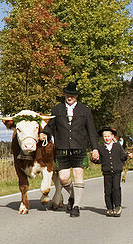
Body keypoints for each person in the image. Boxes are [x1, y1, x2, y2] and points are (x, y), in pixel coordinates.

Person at [41, 82, 100, 217]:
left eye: (72, 95)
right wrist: (45, 133)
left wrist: (95, 149)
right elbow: (51, 126)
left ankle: (76, 206)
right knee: (63, 178)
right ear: (64, 95)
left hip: (79, 148)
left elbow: (91, 130)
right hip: (62, 149)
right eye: (68, 95)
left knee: (79, 176)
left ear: (76, 96)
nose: (70, 97)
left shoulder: (85, 110)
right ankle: (73, 195)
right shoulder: (57, 109)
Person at [97, 128, 127, 217]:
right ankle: (109, 208)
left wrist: (128, 155)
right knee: (108, 190)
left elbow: (123, 156)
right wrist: (94, 159)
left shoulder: (117, 146)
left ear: (112, 136)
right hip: (107, 172)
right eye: (105, 136)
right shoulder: (101, 147)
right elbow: (99, 160)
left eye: (108, 136)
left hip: (117, 171)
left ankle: (117, 206)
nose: (107, 138)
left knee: (116, 188)